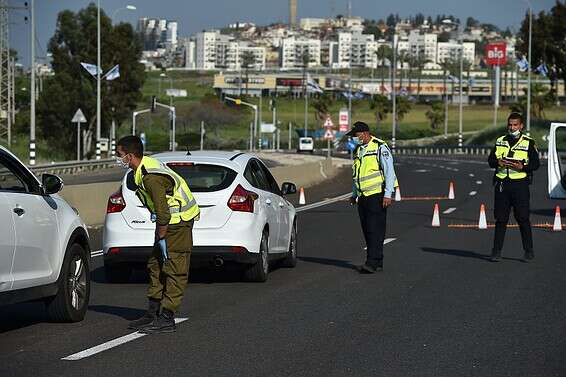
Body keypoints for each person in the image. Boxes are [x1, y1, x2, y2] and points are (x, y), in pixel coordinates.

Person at [116, 136, 200, 333]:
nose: (117, 159)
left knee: (175, 270)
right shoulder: (143, 170)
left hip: (178, 225)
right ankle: (152, 313)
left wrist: (160, 236)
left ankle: (167, 318)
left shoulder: (151, 177)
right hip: (168, 224)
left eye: (119, 155)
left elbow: (163, 213)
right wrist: (160, 235)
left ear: (129, 155)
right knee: (156, 265)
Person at [488, 112, 540, 262]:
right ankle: (496, 251)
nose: (512, 127)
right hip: (502, 184)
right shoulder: (500, 141)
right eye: (510, 125)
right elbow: (490, 160)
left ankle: (528, 251)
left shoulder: (529, 142)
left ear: (521, 126)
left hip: (520, 185)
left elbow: (536, 164)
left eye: (515, 125)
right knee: (501, 219)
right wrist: (499, 162)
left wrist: (522, 166)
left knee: (523, 218)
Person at [347, 121, 398, 273]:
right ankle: (378, 261)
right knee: (367, 229)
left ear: (364, 133)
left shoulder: (379, 147)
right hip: (363, 197)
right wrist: (354, 194)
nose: (354, 138)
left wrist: (388, 194)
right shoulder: (358, 150)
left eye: (356, 135)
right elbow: (356, 175)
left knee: (374, 229)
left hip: (377, 195)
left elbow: (389, 171)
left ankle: (371, 262)